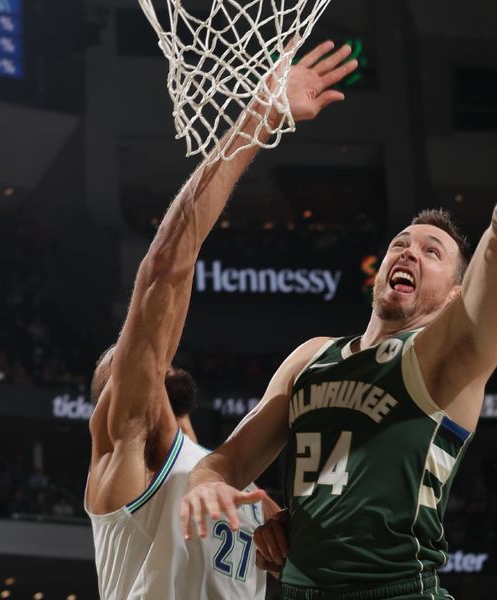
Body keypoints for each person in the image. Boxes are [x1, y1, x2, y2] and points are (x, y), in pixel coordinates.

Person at [181, 1, 497, 597]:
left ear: (456, 294)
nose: (408, 252)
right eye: (402, 243)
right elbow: (225, 462)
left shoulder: (446, 357)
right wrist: (215, 487)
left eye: (431, 252)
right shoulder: (311, 358)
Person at [84, 40, 359, 600]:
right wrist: (261, 114)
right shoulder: (131, 449)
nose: (128, 352)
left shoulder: (236, 489)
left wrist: (296, 545)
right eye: (117, 364)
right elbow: (165, 268)